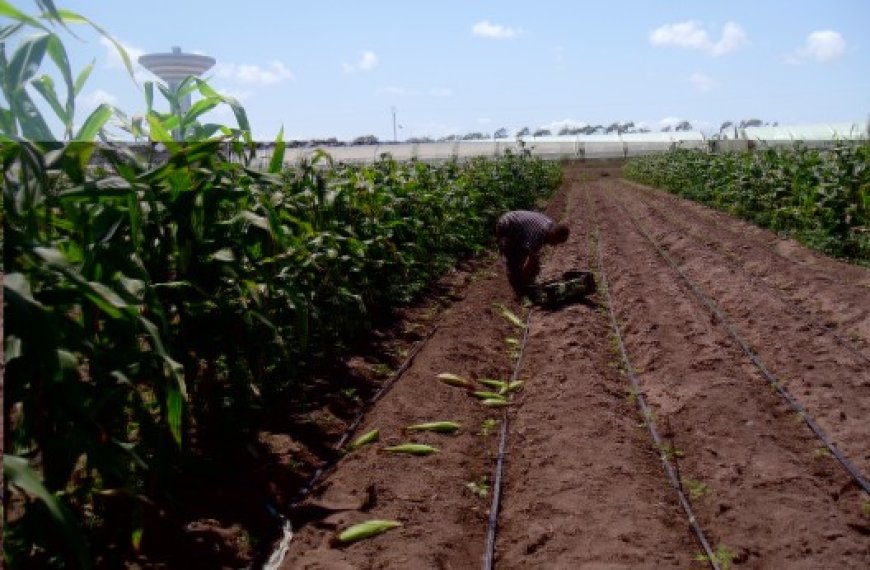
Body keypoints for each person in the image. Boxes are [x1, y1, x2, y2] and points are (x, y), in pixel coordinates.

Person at [496, 210, 570, 297]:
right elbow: (532, 261)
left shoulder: (552, 226)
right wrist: (525, 277)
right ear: (553, 235)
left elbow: (532, 256)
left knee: (524, 257)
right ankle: (520, 291)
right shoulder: (537, 236)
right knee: (513, 261)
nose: (554, 245)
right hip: (507, 225)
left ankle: (524, 283)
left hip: (521, 226)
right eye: (556, 242)